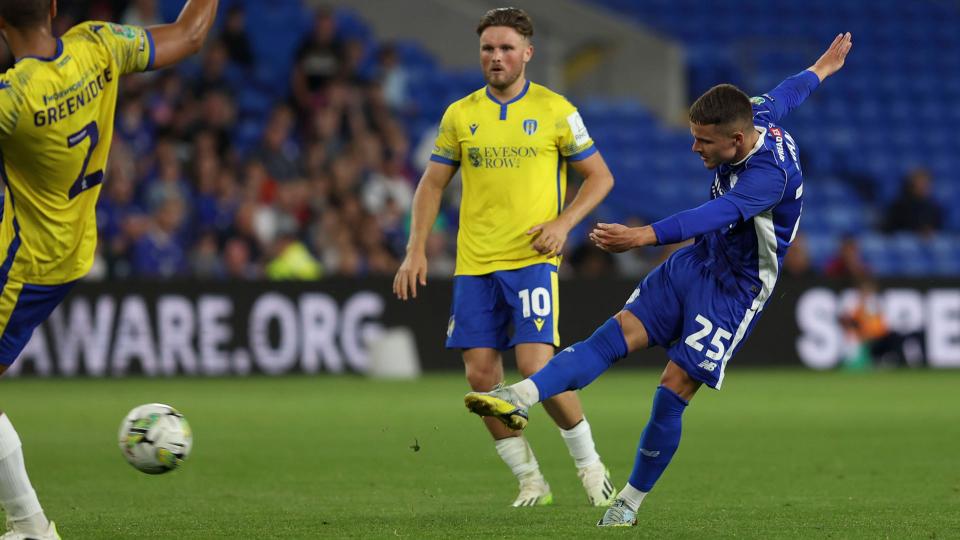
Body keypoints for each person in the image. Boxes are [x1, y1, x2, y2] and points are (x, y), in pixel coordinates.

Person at [465, 33, 854, 526]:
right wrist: (821, 68)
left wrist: (641, 236)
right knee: (613, 335)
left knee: (673, 387)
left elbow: (713, 214)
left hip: (735, 289)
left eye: (703, 140)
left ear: (736, 140)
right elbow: (788, 92)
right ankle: (520, 395)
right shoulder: (753, 116)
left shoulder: (767, 177)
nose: (693, 147)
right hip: (696, 263)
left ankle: (628, 500)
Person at [0, 1, 218, 538]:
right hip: (74, 248)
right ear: (52, 7)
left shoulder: (12, 96)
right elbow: (190, 35)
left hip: (25, 261)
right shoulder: (97, 43)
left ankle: (31, 529)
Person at [393, 7, 616, 508]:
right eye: (488, 49)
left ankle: (590, 466)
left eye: (506, 49)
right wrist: (415, 249)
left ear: (527, 54)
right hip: (474, 264)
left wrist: (563, 224)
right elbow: (431, 184)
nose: (496, 57)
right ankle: (531, 480)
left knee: (537, 367)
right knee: (480, 379)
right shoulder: (460, 114)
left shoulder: (557, 110)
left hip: (531, 259)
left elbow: (600, 177)